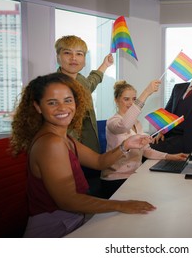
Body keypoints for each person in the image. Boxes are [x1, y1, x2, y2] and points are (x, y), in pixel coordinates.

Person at [10, 73, 156, 237]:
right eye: (52, 103)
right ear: (38, 107)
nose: (63, 108)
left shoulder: (63, 138)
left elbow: (99, 162)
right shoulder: (51, 143)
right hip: (55, 227)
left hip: (73, 218)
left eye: (68, 100)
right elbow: (68, 200)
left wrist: (125, 145)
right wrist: (121, 205)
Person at [101, 80, 188, 198]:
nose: (131, 103)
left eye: (134, 99)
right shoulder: (113, 122)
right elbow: (125, 125)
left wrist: (170, 157)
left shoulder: (137, 124)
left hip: (135, 175)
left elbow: (147, 150)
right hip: (116, 179)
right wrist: (147, 92)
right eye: (126, 99)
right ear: (116, 100)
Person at [55, 35, 114, 191]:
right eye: (68, 53)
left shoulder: (80, 79)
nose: (74, 58)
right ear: (58, 56)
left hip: (85, 148)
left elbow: (91, 82)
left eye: (79, 54)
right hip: (64, 149)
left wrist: (105, 64)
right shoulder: (52, 86)